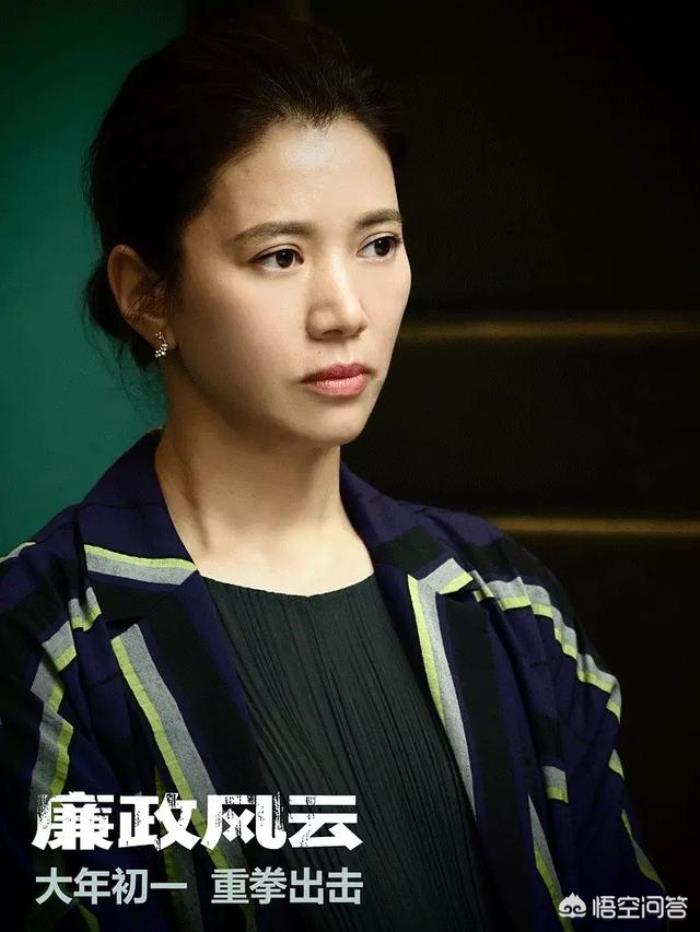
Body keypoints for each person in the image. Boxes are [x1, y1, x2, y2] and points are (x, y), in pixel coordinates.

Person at [0, 10, 667, 932]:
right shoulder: (41, 644)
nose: (345, 310)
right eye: (280, 256)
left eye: (378, 244)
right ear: (147, 295)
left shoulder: (510, 604)